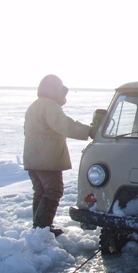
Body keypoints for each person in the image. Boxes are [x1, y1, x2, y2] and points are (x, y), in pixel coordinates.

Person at [23, 74, 94, 236]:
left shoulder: (35, 105)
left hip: (32, 158)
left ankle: (39, 227)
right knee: (53, 191)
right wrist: (89, 131)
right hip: (46, 159)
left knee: (41, 191)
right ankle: (42, 228)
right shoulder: (49, 105)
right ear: (54, 90)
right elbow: (64, 125)